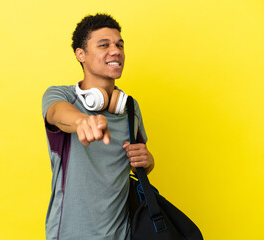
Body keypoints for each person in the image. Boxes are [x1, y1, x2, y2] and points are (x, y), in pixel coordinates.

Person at [42, 13, 154, 240]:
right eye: (104, 45)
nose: (116, 51)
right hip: (68, 234)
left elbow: (139, 166)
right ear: (80, 54)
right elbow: (56, 113)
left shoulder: (130, 108)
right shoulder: (61, 96)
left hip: (122, 235)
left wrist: (147, 162)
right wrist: (82, 121)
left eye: (119, 45)